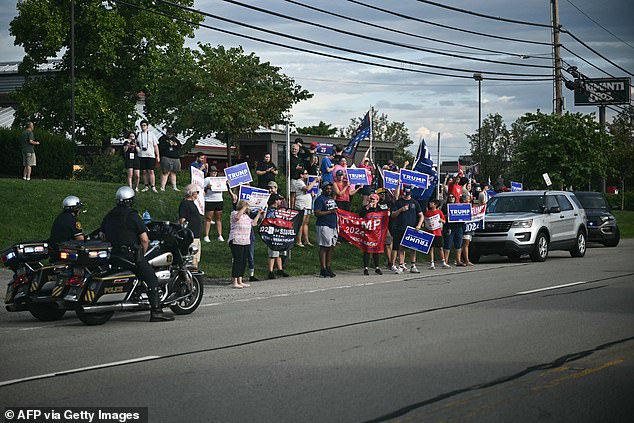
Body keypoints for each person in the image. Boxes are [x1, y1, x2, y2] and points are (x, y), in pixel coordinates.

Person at [100, 186, 173, 321]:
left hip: (112, 256)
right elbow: (145, 240)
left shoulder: (109, 215)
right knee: (152, 279)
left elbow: (102, 235)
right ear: (131, 200)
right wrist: (141, 255)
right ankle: (156, 312)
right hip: (129, 256)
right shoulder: (133, 216)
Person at [228, 200, 264, 289]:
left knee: (244, 261)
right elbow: (237, 217)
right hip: (236, 240)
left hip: (246, 241)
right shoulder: (234, 213)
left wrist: (259, 214)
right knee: (238, 260)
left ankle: (240, 279)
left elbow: (254, 223)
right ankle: (234, 281)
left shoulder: (246, 216)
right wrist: (244, 207)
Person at [390, 186, 424, 274]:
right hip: (400, 227)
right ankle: (401, 265)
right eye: (405, 193)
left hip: (412, 228)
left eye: (408, 193)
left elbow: (421, 215)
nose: (406, 195)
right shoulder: (399, 202)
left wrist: (419, 225)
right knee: (401, 247)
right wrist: (401, 210)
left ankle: (413, 265)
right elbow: (393, 215)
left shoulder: (415, 203)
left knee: (413, 247)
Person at [48, 196, 85, 260]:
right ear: (75, 209)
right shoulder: (73, 221)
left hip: (54, 250)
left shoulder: (59, 217)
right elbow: (80, 239)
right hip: (66, 251)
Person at [314, 181, 338, 278]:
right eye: (327, 188)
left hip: (332, 225)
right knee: (324, 246)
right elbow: (317, 213)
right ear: (323, 189)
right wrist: (330, 212)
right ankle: (323, 268)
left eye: (330, 188)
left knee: (331, 246)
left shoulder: (331, 198)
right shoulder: (320, 199)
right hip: (324, 225)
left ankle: (328, 267)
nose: (329, 190)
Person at [265, 194, 290, 279]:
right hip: (272, 233)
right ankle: (270, 271)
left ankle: (280, 269)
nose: (280, 201)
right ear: (275, 200)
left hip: (279, 232)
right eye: (279, 200)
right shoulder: (270, 210)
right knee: (273, 253)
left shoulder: (279, 210)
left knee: (279, 252)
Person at [359, 193, 383, 275]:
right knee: (367, 250)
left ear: (377, 200)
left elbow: (384, 218)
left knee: (376, 250)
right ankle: (365, 268)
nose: (372, 201)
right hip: (367, 232)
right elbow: (360, 216)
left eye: (374, 199)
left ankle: (377, 267)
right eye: (371, 199)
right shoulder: (365, 208)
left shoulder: (379, 209)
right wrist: (367, 208)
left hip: (376, 233)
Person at [179, 184, 203, 269]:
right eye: (197, 192)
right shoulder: (185, 203)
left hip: (196, 234)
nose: (197, 194)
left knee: (196, 258)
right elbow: (182, 219)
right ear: (192, 193)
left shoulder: (192, 203)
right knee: (192, 258)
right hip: (191, 234)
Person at [295, 170, 320, 247]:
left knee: (306, 223)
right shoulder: (299, 182)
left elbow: (309, 190)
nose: (307, 175)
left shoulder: (306, 181)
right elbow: (307, 188)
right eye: (305, 173)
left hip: (307, 204)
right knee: (301, 223)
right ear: (301, 175)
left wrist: (312, 194)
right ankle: (298, 241)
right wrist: (315, 180)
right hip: (302, 204)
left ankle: (306, 240)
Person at [202, 165, 226, 242]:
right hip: (209, 200)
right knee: (208, 218)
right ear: (210, 172)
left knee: (218, 218)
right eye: (213, 171)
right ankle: (206, 235)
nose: (215, 173)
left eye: (215, 171)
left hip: (219, 200)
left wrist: (226, 183)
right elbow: (202, 190)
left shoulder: (220, 180)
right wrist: (207, 188)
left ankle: (220, 235)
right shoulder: (206, 180)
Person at [136, 120, 160, 193]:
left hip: (150, 155)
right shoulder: (138, 134)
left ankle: (153, 186)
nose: (143, 127)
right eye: (142, 125)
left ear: (147, 126)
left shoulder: (152, 134)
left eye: (144, 125)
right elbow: (136, 144)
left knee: (151, 171)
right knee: (144, 171)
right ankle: (146, 185)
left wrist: (158, 156)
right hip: (141, 155)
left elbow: (155, 146)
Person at [441, 193, 465, 267]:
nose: (451, 198)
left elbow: (464, 215)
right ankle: (445, 261)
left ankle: (458, 261)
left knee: (458, 244)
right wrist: (447, 215)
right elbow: (441, 216)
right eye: (450, 197)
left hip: (458, 227)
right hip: (449, 227)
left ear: (455, 198)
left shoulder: (459, 206)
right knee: (448, 244)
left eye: (452, 197)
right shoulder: (445, 206)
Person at [424, 199, 447, 269]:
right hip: (430, 232)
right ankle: (432, 263)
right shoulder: (428, 212)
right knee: (431, 248)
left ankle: (443, 262)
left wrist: (441, 220)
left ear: (435, 204)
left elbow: (444, 221)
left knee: (440, 248)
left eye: (432, 203)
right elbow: (425, 221)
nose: (430, 204)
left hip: (438, 232)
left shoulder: (439, 212)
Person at [376, 188, 395, 270]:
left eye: (384, 194)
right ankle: (390, 262)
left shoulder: (389, 202)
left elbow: (395, 198)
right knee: (387, 243)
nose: (382, 195)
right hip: (383, 225)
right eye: (381, 194)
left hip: (391, 224)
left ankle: (391, 261)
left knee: (391, 242)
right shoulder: (376, 204)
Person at [158, 127, 182, 191]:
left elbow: (179, 146)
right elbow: (160, 147)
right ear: (167, 132)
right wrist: (168, 144)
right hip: (166, 157)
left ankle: (174, 187)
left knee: (174, 173)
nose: (170, 134)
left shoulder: (175, 139)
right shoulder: (162, 138)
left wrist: (175, 144)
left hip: (175, 158)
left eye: (171, 133)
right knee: (165, 172)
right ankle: (162, 187)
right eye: (169, 133)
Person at [461, 193, 475, 266]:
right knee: (464, 243)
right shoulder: (461, 207)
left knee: (467, 243)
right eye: (468, 198)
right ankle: (466, 260)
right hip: (464, 227)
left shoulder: (471, 206)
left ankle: (465, 259)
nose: (469, 199)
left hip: (470, 227)